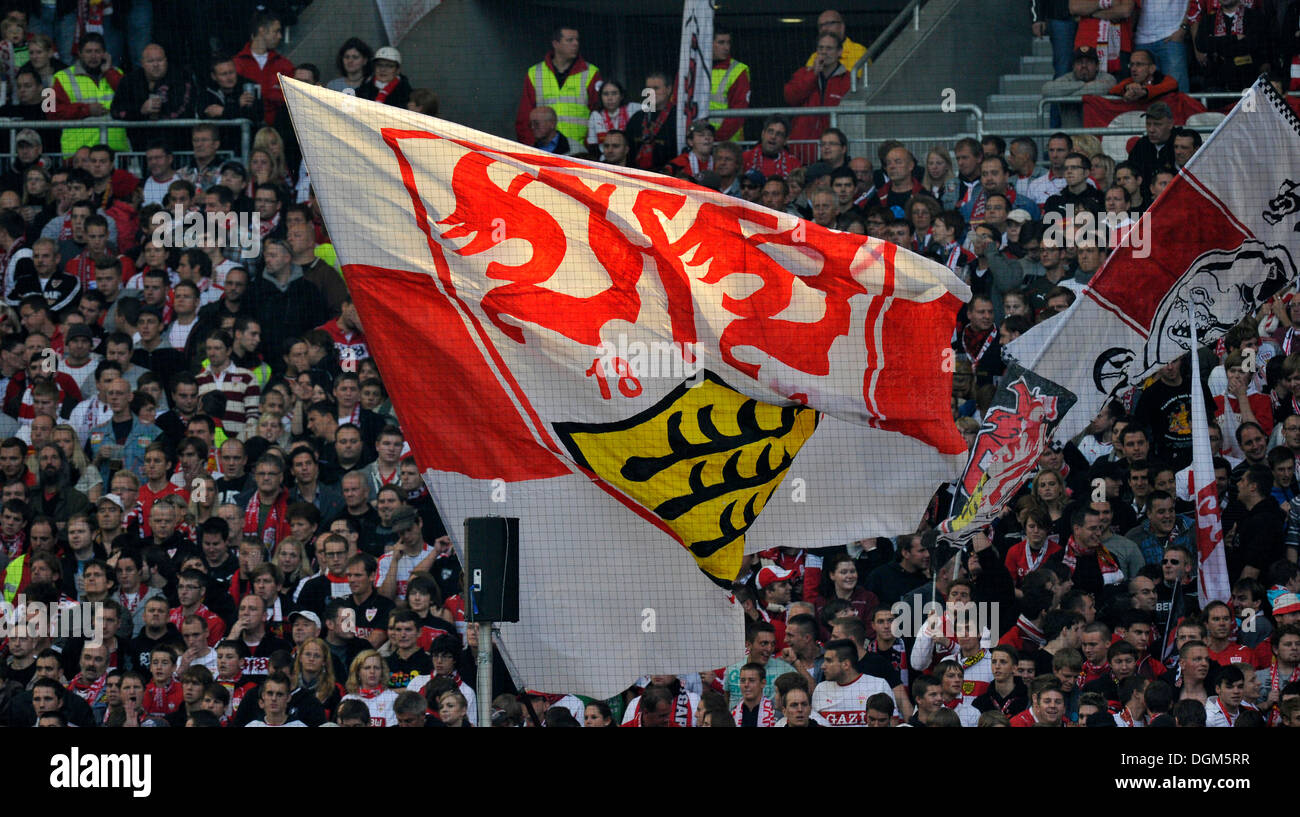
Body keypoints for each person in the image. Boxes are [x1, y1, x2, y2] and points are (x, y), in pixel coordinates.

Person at [515, 26, 601, 148]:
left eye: (577, 40)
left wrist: (590, 149)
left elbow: (598, 114)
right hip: (544, 148)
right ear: (556, 44)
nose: (576, 44)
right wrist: (530, 147)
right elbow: (524, 116)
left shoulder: (591, 73)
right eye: (570, 40)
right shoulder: (535, 73)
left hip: (578, 151)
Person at [48, 34, 127, 155]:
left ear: (105, 54)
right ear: (80, 53)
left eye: (98, 51)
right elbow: (49, 111)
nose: (93, 56)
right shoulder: (60, 77)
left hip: (115, 151)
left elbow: (130, 98)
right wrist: (87, 110)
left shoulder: (117, 73)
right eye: (88, 51)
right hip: (78, 154)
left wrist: (109, 72)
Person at [783, 32, 849, 166]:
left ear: (839, 52)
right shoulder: (803, 74)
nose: (824, 52)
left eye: (829, 48)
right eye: (821, 48)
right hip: (802, 148)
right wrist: (813, 75)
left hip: (833, 151)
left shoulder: (848, 80)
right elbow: (790, 97)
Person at [811, 639, 895, 726]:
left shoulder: (878, 685)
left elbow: (893, 722)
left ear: (846, 664)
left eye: (829, 661)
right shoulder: (821, 689)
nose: (822, 666)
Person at [709, 28, 750, 143]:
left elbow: (738, 113)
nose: (726, 48)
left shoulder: (737, 70)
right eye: (721, 43)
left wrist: (715, 139)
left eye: (728, 43)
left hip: (726, 144)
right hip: (696, 142)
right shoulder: (692, 67)